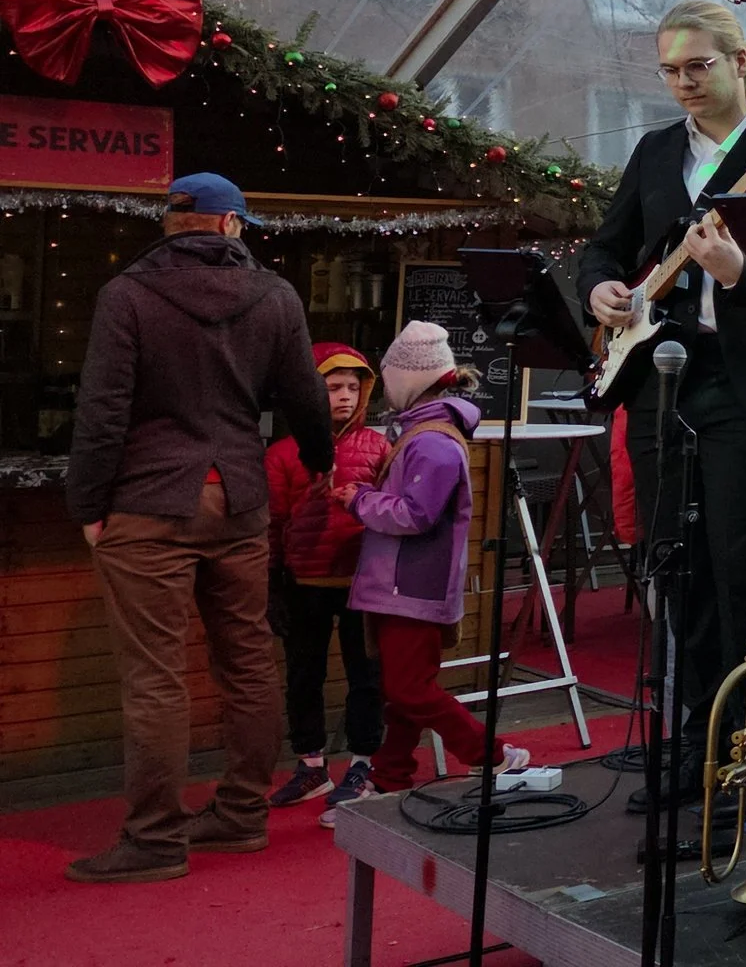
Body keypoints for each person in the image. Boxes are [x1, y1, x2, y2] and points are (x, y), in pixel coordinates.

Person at [578, 0, 746, 811]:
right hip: (659, 382)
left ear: (740, 59)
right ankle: (697, 738)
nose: (683, 83)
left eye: (699, 66)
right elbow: (605, 247)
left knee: (738, 573)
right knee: (676, 570)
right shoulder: (654, 154)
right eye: (671, 71)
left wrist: (739, 278)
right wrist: (602, 288)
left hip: (745, 384)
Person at [63, 173, 333, 884]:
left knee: (155, 680)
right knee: (247, 663)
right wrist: (321, 464)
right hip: (241, 503)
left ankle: (154, 840)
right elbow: (308, 401)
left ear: (172, 224)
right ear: (232, 226)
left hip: (149, 504)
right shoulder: (275, 295)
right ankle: (241, 818)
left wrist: (88, 507)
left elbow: (102, 412)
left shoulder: (128, 295)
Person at [334, 322, 527, 827]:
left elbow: (416, 515)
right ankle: (390, 775)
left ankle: (496, 756)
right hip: (404, 585)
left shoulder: (433, 442)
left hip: (411, 587)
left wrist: (359, 499)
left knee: (409, 690)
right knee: (405, 688)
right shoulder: (426, 433)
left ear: (410, 380)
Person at [265, 344, 391, 816]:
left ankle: (362, 764)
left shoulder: (379, 447)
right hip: (304, 581)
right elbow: (274, 522)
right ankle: (311, 765)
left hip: (362, 579)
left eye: (352, 388)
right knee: (303, 676)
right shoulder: (282, 454)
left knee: (366, 677)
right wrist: (272, 582)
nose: (343, 396)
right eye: (332, 387)